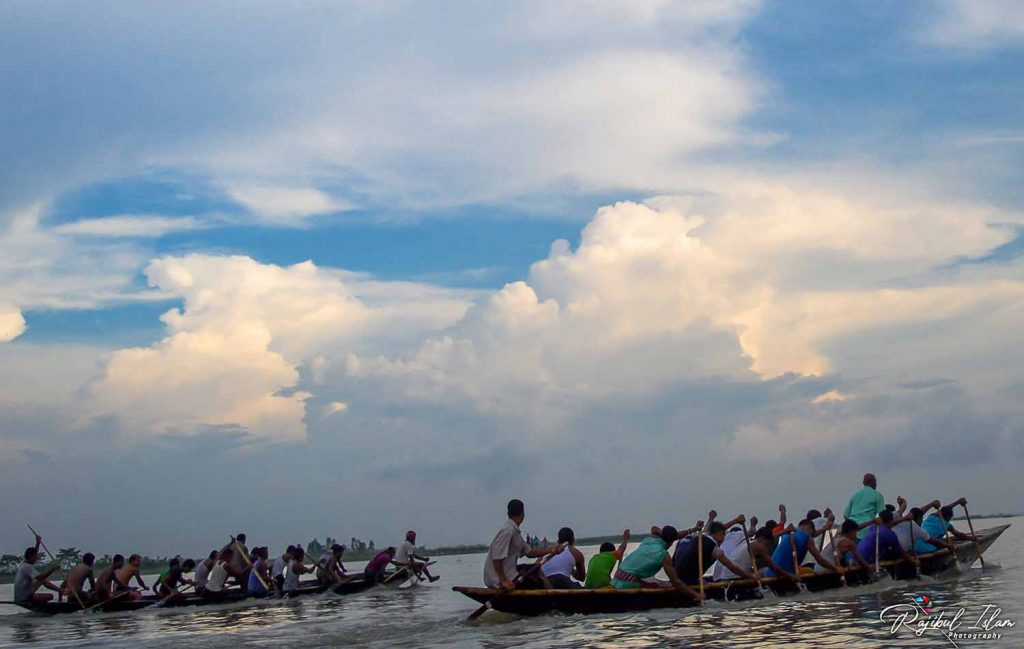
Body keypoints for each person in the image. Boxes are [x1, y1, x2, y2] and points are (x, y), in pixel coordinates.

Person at [611, 525, 703, 601]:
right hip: (628, 583)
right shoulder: (664, 555)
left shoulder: (649, 539)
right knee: (668, 584)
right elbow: (676, 582)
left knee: (655, 581)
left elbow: (655, 528)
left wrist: (693, 530)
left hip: (616, 579)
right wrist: (696, 595)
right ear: (671, 542)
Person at [483, 499, 558, 590]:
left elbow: (529, 553)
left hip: (509, 573)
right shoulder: (507, 531)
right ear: (523, 514)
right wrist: (504, 581)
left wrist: (552, 550)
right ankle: (552, 598)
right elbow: (497, 557)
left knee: (536, 568)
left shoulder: (515, 532)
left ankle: (552, 593)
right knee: (538, 584)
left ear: (508, 513)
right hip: (498, 580)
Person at [674, 520, 758, 584]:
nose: (722, 541)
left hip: (675, 576)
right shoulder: (714, 548)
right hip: (687, 581)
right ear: (720, 534)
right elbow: (732, 567)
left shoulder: (698, 537)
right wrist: (750, 576)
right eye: (723, 537)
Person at [716, 526, 797, 581]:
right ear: (762, 538)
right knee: (766, 570)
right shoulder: (759, 546)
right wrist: (790, 576)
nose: (767, 547)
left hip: (726, 577)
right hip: (735, 578)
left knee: (760, 571)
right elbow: (773, 566)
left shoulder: (747, 541)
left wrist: (785, 530)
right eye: (767, 544)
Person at [764, 519, 839, 577]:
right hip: (787, 573)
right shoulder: (807, 538)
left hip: (771, 572)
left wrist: (825, 528)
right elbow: (819, 560)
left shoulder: (789, 534)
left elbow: (814, 534)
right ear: (808, 527)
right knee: (811, 571)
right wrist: (836, 569)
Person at [13, 538, 60, 606]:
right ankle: (59, 591)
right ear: (32, 557)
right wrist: (53, 569)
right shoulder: (27, 567)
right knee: (50, 596)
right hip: (24, 598)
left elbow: (34, 553)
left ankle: (59, 590)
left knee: (42, 580)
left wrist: (38, 543)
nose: (37, 559)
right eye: (36, 557)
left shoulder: (22, 563)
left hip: (19, 596)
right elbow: (41, 577)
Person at [844, 473, 886, 539]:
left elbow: (846, 515)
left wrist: (851, 527)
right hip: (866, 532)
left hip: (851, 532)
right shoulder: (877, 495)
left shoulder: (855, 496)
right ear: (874, 483)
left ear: (863, 483)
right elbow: (883, 515)